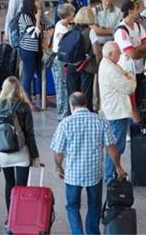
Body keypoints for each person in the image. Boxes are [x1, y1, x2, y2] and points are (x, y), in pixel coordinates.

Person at [51, 92, 126, 235]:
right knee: (94, 206)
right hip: (95, 173)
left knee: (72, 207)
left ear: (71, 105)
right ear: (86, 103)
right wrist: (118, 167)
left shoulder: (65, 123)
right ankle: (92, 232)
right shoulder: (100, 121)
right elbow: (111, 148)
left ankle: (77, 233)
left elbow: (58, 152)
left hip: (73, 174)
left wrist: (59, 167)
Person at [0, 76, 41, 223]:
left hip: (3, 153)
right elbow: (30, 134)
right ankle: (20, 216)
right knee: (21, 187)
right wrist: (35, 156)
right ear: (19, 88)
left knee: (9, 184)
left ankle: (9, 218)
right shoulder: (24, 106)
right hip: (21, 151)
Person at [97, 41, 136, 183]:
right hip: (116, 114)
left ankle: (113, 172)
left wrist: (128, 76)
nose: (120, 54)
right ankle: (109, 176)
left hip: (117, 112)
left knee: (117, 146)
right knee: (115, 147)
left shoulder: (110, 64)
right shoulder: (110, 69)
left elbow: (125, 76)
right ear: (110, 54)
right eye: (118, 52)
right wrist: (131, 77)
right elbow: (129, 87)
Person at [113, 0, 146, 108]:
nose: (139, 12)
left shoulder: (138, 26)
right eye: (137, 9)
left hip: (139, 70)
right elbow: (131, 54)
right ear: (130, 11)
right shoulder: (121, 31)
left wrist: (137, 50)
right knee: (131, 105)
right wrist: (140, 50)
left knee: (139, 102)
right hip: (128, 72)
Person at [16, 0, 45, 108]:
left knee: (39, 72)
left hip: (37, 49)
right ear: (31, 3)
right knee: (28, 74)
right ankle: (27, 100)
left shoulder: (34, 14)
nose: (39, 2)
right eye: (37, 0)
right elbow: (34, 34)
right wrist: (38, 20)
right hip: (28, 50)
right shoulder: (24, 17)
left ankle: (42, 98)